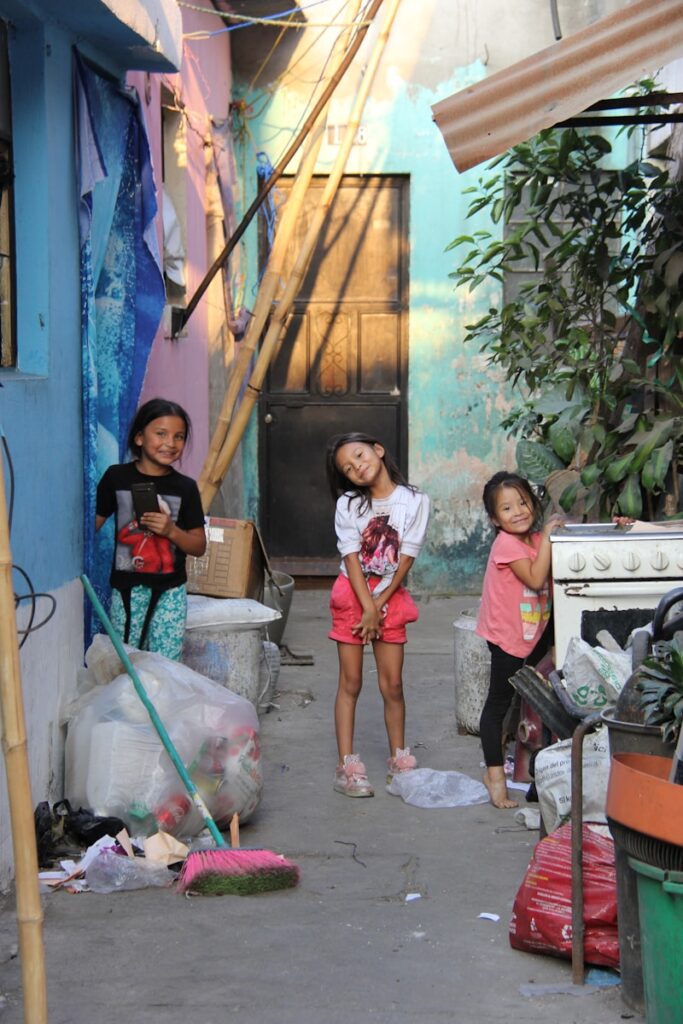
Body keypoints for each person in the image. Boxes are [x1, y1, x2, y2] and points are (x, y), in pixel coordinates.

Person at [326, 432, 430, 798]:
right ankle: (347, 767)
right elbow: (351, 557)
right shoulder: (348, 505)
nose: (357, 466)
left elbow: (406, 559)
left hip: (391, 596)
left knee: (393, 685)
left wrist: (382, 601)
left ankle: (399, 762)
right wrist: (368, 607)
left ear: (379, 449)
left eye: (360, 455)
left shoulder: (416, 501)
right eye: (348, 467)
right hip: (353, 596)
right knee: (350, 682)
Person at [475, 471, 564, 809]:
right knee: (497, 706)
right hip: (506, 637)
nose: (519, 512)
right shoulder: (506, 545)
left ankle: (532, 769)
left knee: (536, 700)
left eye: (523, 502)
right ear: (495, 519)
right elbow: (536, 575)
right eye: (507, 509)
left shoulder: (536, 539)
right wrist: (551, 538)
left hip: (532, 632)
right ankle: (495, 779)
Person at [95, 398, 207, 660]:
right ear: (139, 438)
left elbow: (199, 546)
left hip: (170, 592)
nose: (170, 443)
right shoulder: (116, 478)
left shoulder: (185, 488)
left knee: (166, 665)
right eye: (161, 434)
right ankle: (128, 704)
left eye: (179, 436)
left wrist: (171, 531)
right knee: (124, 663)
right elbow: (92, 527)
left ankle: (160, 704)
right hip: (126, 590)